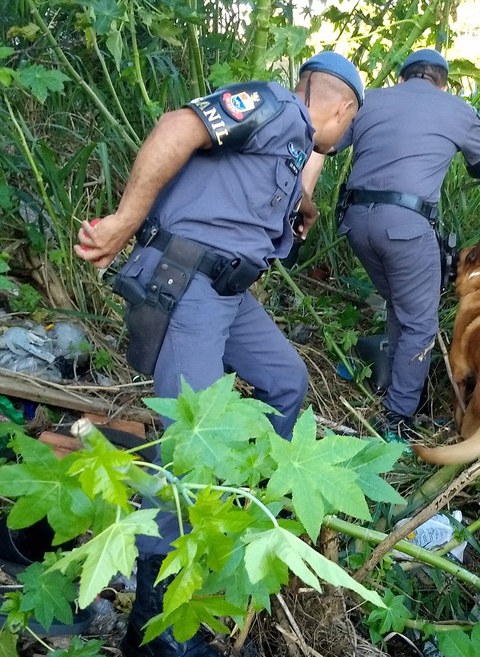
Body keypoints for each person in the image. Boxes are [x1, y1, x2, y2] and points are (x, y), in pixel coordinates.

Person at [75, 52, 364, 657]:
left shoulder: (290, 142)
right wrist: (125, 220)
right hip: (188, 282)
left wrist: (303, 208)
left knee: (287, 382)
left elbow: (279, 186)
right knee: (188, 452)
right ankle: (159, 632)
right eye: (351, 125)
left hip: (229, 293)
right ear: (342, 107)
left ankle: (245, 503)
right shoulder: (277, 105)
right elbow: (179, 127)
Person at [302, 48, 480, 441]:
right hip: (405, 227)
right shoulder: (457, 109)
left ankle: (393, 380)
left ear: (402, 77)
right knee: (420, 322)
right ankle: (398, 418)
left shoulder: (369, 100)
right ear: (442, 83)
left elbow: (322, 144)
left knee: (403, 306)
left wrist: (304, 196)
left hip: (355, 223)